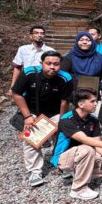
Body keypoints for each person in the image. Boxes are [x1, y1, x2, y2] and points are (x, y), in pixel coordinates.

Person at [11, 51, 73, 186]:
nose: (52, 67)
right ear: (41, 63)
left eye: (56, 64)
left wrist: (62, 120)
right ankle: (34, 171)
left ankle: (64, 164)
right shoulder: (29, 73)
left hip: (55, 112)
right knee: (32, 137)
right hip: (32, 111)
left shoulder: (66, 78)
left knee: (63, 134)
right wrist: (27, 116)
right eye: (48, 63)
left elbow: (65, 102)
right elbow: (16, 94)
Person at [51, 88, 102, 201]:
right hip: (63, 158)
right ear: (81, 104)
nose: (96, 104)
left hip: (83, 155)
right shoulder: (66, 119)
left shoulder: (93, 119)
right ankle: (78, 189)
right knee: (87, 149)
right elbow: (84, 139)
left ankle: (79, 175)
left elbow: (98, 143)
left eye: (95, 101)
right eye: (92, 101)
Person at [8, 25, 54, 96]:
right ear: (30, 36)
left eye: (42, 33)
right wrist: (13, 86)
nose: (39, 35)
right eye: (36, 33)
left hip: (44, 82)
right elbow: (17, 68)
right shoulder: (23, 49)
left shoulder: (50, 51)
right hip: (26, 81)